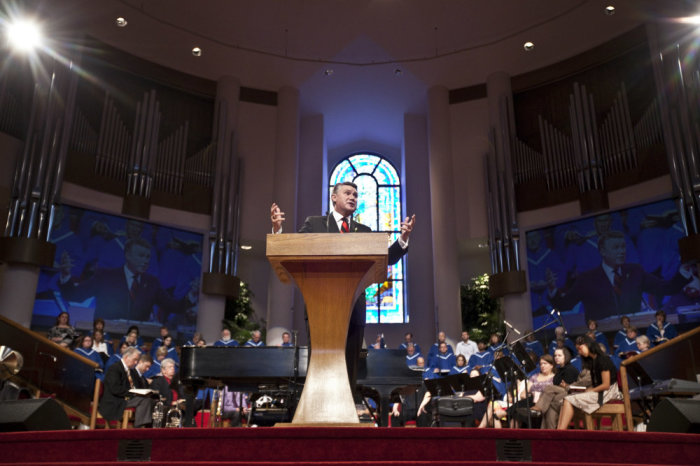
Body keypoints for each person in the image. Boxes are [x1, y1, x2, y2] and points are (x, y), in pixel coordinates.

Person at [271, 181, 415, 386]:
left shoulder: (364, 230)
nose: (353, 197)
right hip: (320, 308)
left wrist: (403, 239)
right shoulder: (315, 224)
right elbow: (294, 249)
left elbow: (387, 258)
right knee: (320, 367)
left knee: (349, 370)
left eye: (356, 195)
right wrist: (278, 231)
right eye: (348, 193)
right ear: (333, 197)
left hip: (354, 310)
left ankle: (347, 412)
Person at [548, 231, 692, 322]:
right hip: (603, 338)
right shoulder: (586, 279)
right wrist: (552, 289)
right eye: (616, 248)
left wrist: (683, 273)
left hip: (634, 335)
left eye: (623, 247)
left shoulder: (635, 271)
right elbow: (565, 305)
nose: (622, 251)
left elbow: (666, 288)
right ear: (603, 251)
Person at [59, 238, 185, 322]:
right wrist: (65, 275)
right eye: (141, 256)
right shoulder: (105, 276)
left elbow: (173, 306)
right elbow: (74, 295)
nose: (146, 261)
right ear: (127, 255)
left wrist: (191, 297)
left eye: (148, 257)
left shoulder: (152, 282)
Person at [557, 336, 621, 430]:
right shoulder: (593, 361)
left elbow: (606, 385)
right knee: (565, 398)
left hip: (608, 392)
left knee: (568, 399)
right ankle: (558, 431)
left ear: (588, 345)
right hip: (597, 390)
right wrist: (584, 390)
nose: (579, 352)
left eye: (580, 348)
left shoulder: (603, 360)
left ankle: (560, 433)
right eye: (577, 350)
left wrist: (590, 390)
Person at [99, 347, 153, 428]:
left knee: (149, 399)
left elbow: (136, 387)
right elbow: (115, 389)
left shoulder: (131, 371)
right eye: (134, 360)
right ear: (126, 357)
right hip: (115, 400)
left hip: (127, 399)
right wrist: (134, 393)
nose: (136, 363)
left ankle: (143, 428)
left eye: (137, 360)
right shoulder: (114, 368)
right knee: (145, 400)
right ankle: (139, 429)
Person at [507, 354, 555, 428]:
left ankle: (505, 413)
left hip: (544, 402)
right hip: (531, 400)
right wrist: (532, 394)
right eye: (541, 364)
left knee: (517, 413)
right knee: (518, 412)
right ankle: (512, 436)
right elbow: (523, 394)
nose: (542, 366)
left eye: (545, 363)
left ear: (551, 365)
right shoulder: (535, 376)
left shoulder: (554, 378)